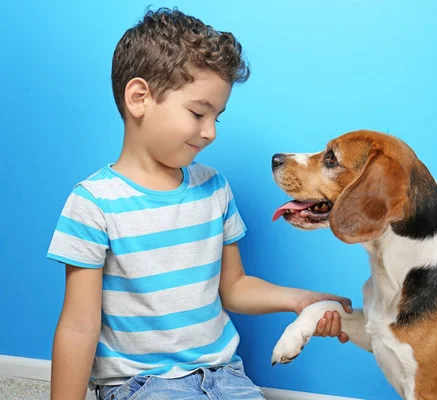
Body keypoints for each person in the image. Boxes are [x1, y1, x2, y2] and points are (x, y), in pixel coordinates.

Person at [46, 7, 352, 400]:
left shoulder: (214, 188)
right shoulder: (93, 203)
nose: (209, 132)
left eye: (217, 118)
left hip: (224, 377)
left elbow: (235, 287)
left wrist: (299, 300)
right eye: (197, 113)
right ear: (139, 98)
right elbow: (78, 325)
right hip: (140, 385)